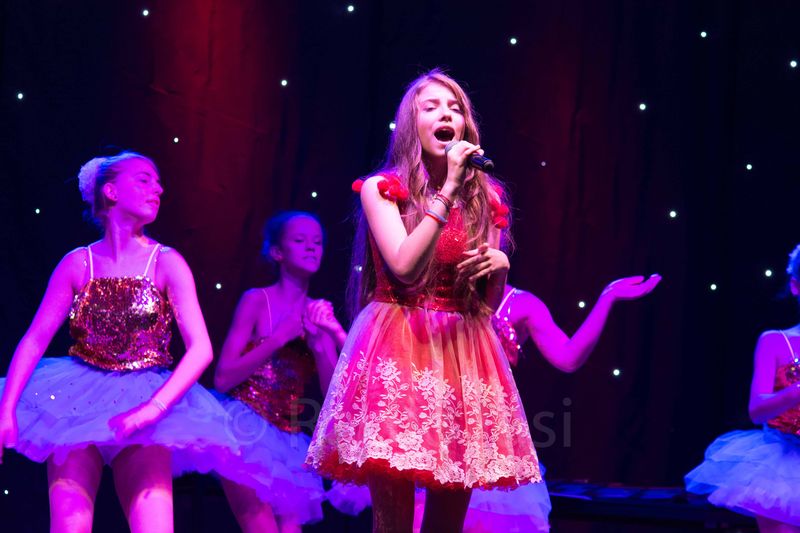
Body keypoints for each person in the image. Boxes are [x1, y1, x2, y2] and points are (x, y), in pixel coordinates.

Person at [305, 69, 541, 532]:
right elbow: (405, 267)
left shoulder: (487, 199)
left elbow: (484, 306)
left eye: (455, 108)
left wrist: (500, 268)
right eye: (431, 107)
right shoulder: (383, 189)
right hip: (398, 345)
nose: (445, 114)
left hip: (461, 352)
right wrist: (447, 190)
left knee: (446, 523)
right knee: (392, 521)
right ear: (411, 124)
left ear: (466, 127)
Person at [0, 151, 255, 533]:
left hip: (145, 400)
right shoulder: (78, 263)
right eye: (144, 179)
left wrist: (152, 410)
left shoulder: (166, 262)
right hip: (77, 402)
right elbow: (35, 340)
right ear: (111, 191)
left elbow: (201, 348)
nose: (158, 189)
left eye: (158, 182)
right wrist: (6, 410)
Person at [213, 211, 344, 533]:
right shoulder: (257, 301)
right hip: (243, 427)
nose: (311, 247)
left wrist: (320, 344)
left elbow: (333, 397)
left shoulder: (318, 312)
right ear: (277, 252)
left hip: (288, 438)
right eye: (300, 240)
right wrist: (276, 339)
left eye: (318, 242)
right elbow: (223, 378)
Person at [685, 244, 800, 532]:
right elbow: (757, 410)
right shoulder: (775, 341)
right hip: (784, 465)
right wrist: (795, 391)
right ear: (796, 286)